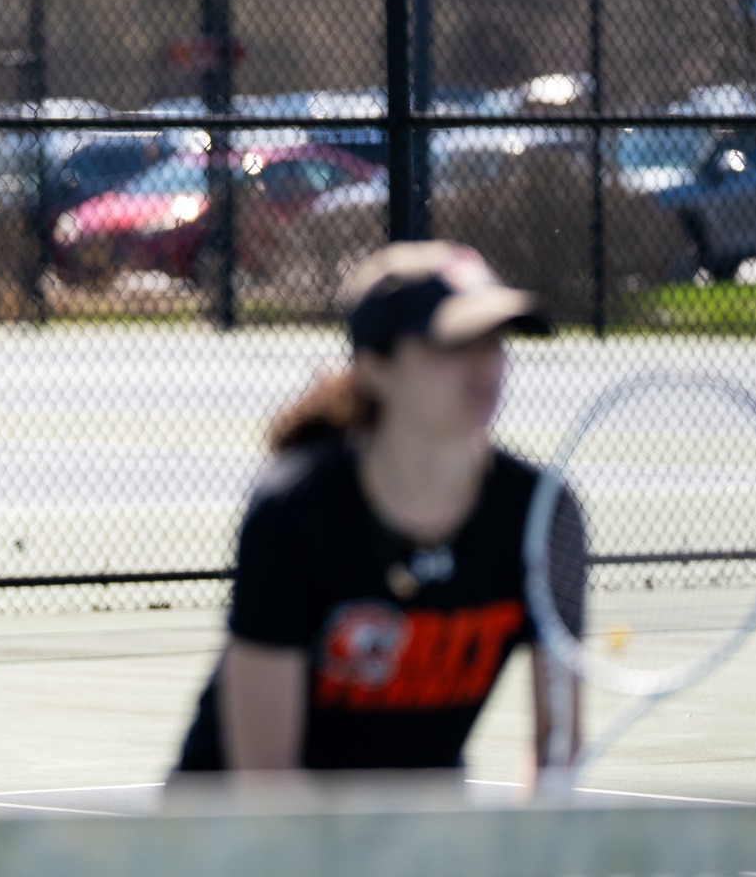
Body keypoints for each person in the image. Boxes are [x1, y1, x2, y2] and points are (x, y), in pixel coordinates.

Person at [174, 240, 584, 784]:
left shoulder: (542, 515)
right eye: (453, 344)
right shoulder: (293, 512)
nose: (484, 364)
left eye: (493, 341)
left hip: (406, 835)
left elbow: (558, 748)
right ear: (376, 367)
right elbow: (267, 782)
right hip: (233, 840)